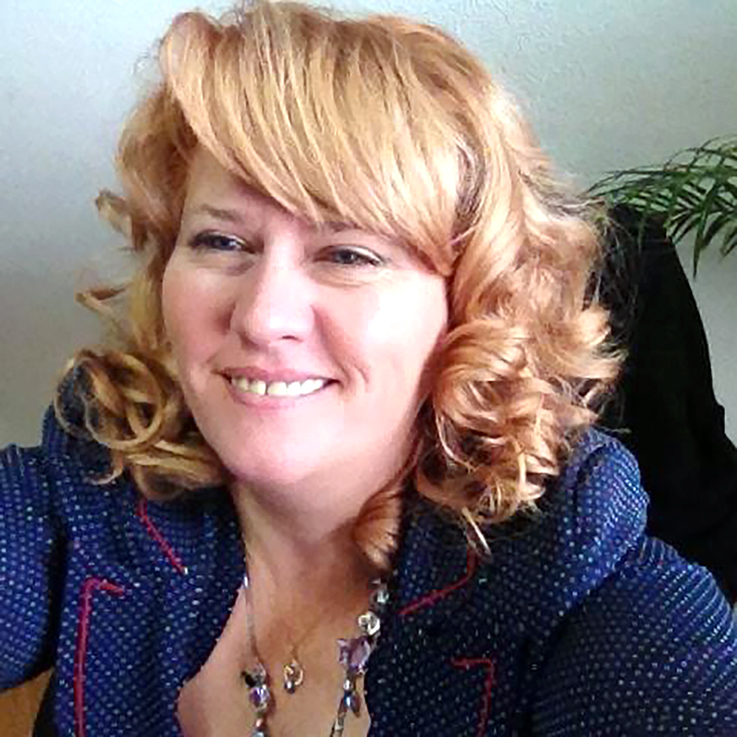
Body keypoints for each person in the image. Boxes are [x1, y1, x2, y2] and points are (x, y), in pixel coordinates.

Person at [1, 2, 735, 735]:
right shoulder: (96, 489)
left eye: (348, 254)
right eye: (221, 242)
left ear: (468, 304)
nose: (262, 316)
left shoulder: (569, 578)